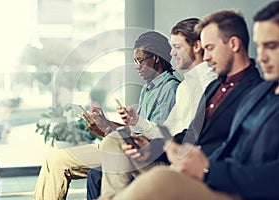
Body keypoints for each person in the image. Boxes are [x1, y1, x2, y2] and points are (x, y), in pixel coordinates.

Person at [100, 3, 279, 199]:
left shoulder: (252, 90)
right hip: (196, 164)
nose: (261, 56)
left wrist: (207, 169)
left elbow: (230, 147)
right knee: (115, 142)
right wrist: (154, 145)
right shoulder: (234, 90)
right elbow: (190, 132)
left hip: (217, 175)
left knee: (157, 179)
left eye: (209, 48)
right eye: (259, 46)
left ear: (234, 45)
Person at [33, 31, 179, 200]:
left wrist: (109, 130)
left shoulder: (170, 89)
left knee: (57, 161)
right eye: (134, 61)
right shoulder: (149, 87)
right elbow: (136, 130)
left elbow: (153, 138)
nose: (136, 66)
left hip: (131, 154)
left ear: (155, 58)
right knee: (54, 158)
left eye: (140, 60)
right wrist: (104, 124)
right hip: (120, 146)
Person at [86, 18, 217, 199]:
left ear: (196, 46)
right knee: (113, 141)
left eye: (177, 47)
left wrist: (157, 145)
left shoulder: (208, 84)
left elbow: (191, 135)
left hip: (172, 159)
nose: (171, 53)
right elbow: (168, 129)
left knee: (105, 158)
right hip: (163, 151)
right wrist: (137, 122)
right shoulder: (185, 86)